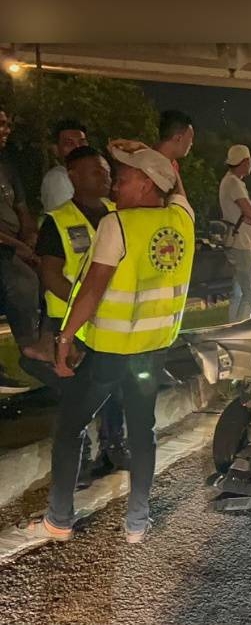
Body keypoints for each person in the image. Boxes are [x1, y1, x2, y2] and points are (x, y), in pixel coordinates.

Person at [25, 141, 196, 544]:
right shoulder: (184, 218)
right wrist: (152, 155)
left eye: (123, 179)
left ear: (147, 184)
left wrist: (64, 337)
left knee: (69, 429)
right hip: (153, 350)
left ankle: (59, 520)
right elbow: (178, 191)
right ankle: (137, 523)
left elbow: (91, 292)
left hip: (110, 353)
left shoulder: (117, 225)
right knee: (143, 431)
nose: (114, 186)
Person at [31, 145, 128, 477]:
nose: (105, 177)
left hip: (113, 319)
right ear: (72, 175)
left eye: (106, 171)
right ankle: (82, 456)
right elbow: (50, 274)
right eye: (96, 171)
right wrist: (83, 304)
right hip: (70, 320)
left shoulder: (119, 213)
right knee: (78, 392)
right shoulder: (58, 222)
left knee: (115, 383)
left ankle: (114, 444)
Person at [0, 105, 47, 392]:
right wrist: (21, 248)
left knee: (51, 272)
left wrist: (31, 237)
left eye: (6, 123)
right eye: (0, 124)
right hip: (5, 250)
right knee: (23, 281)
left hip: (16, 246)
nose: (6, 130)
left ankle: (53, 343)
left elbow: (22, 209)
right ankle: (29, 348)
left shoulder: (7, 166)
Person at [218, 144, 251, 322]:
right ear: (245, 162)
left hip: (234, 240)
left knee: (238, 292)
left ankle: (232, 329)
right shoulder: (235, 183)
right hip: (242, 242)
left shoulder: (227, 180)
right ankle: (241, 331)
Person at [40, 119, 89, 211]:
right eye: (69, 143)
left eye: (82, 142)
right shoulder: (58, 178)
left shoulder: (92, 176)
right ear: (56, 149)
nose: (78, 148)